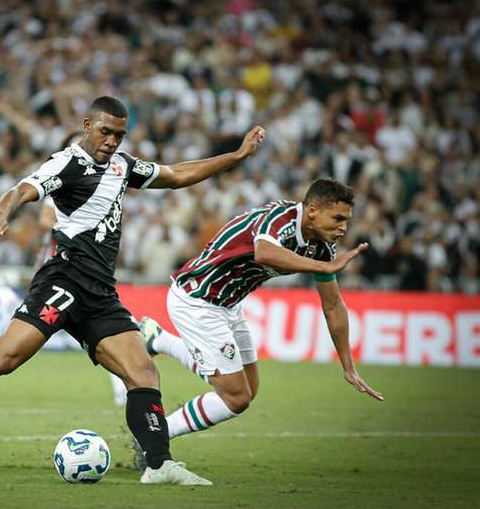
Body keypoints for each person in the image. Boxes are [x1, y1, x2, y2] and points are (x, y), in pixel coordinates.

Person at [0, 96, 265, 485]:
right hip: (62, 281)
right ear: (87, 125)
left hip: (99, 293)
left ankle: (159, 465)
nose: (112, 141)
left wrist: (236, 156)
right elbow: (21, 190)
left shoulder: (123, 166)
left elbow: (175, 175)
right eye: (105, 132)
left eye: (119, 134)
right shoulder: (67, 163)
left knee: (143, 373)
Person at [133, 178, 383, 469]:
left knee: (249, 389)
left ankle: (158, 340)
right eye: (338, 218)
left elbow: (333, 305)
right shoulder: (280, 220)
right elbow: (264, 251)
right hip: (197, 299)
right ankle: (152, 438)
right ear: (312, 211)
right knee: (235, 397)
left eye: (347, 221)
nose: (343, 228)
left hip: (228, 304)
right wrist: (325, 267)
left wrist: (348, 365)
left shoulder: (321, 247)